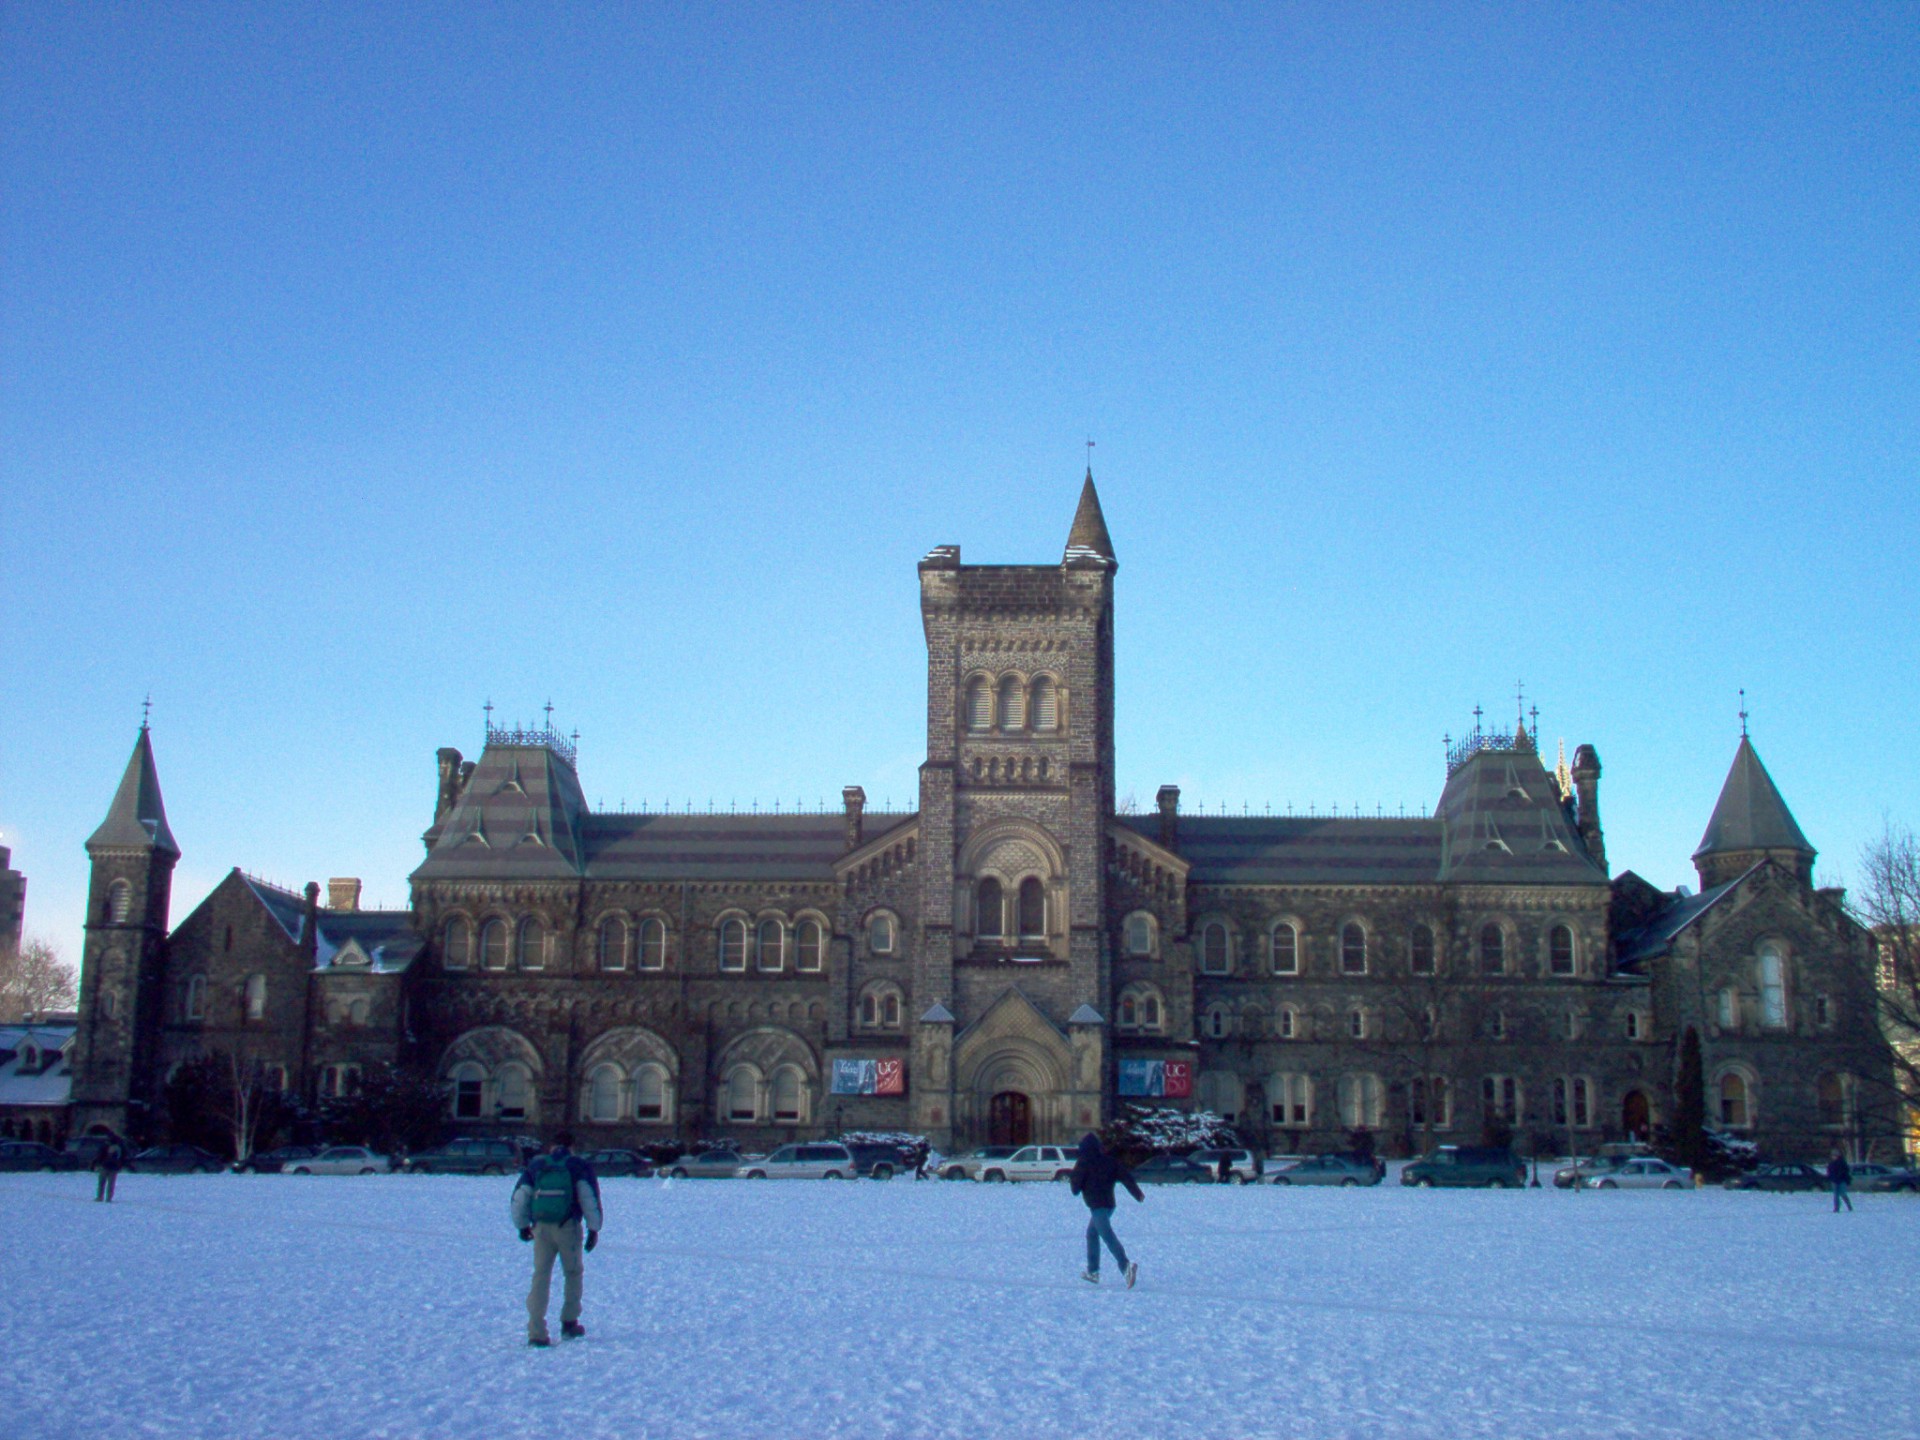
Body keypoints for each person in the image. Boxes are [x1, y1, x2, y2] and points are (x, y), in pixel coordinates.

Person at [510, 1131, 603, 1346]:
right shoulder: (577, 1165)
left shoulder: (537, 1164)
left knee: (540, 1275)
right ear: (571, 1146)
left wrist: (522, 1225)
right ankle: (569, 1322)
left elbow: (520, 1196)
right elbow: (588, 1197)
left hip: (541, 1226)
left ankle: (536, 1331)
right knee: (572, 1272)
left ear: (551, 1146)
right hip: (568, 1226)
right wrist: (594, 1229)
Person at [1069, 1132, 1143, 1288]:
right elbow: (1126, 1177)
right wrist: (1138, 1194)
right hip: (1109, 1206)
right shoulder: (1109, 1161)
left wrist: (1076, 1178)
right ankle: (1093, 1272)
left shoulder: (1083, 1162)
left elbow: (1075, 1189)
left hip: (1098, 1207)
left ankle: (1126, 1267)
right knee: (1092, 1234)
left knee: (1107, 1236)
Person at [94, 1135, 126, 1203]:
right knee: (111, 1184)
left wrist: (99, 1163)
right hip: (114, 1167)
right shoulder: (120, 1147)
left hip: (105, 1166)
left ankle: (100, 1197)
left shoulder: (105, 1146)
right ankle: (109, 1198)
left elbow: (100, 1155)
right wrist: (119, 1166)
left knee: (102, 1183)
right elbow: (123, 1158)